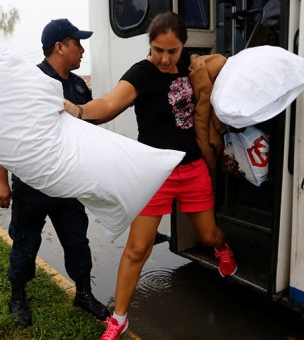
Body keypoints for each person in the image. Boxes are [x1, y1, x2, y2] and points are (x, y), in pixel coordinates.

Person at [63, 12, 237, 340]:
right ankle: (120, 318)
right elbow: (109, 104)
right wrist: (80, 110)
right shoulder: (142, 74)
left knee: (207, 235)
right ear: (150, 45)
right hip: (153, 172)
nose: (165, 58)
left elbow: (226, 67)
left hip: (193, 169)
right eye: (158, 50)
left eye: (172, 51)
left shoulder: (194, 65)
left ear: (183, 46)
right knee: (137, 249)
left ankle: (223, 248)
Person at [0, 18, 109, 328]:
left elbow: (89, 128)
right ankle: (17, 297)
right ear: (60, 47)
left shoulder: (77, 85)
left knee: (77, 241)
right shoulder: (29, 81)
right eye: (77, 43)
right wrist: (0, 179)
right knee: (25, 243)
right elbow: (3, 131)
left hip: (68, 184)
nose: (82, 50)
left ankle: (83, 294)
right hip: (32, 185)